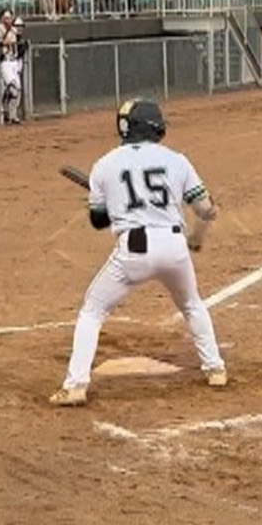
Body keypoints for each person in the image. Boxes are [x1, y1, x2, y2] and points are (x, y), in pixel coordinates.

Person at [52, 98, 227, 407]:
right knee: (191, 304)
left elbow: (97, 221)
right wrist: (197, 237)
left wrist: (107, 206)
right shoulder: (177, 160)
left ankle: (75, 385)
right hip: (175, 247)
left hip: (134, 249)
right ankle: (215, 369)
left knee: (92, 310)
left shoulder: (104, 164)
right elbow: (205, 210)